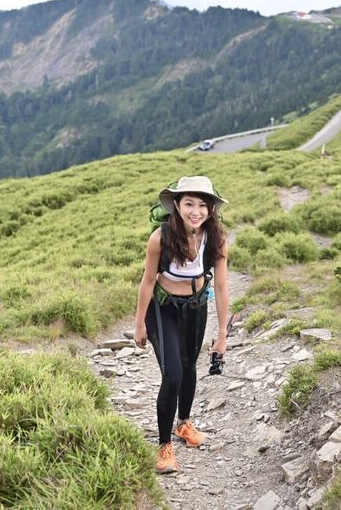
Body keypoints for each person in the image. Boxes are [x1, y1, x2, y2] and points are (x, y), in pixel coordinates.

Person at [134, 176, 230, 474]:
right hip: (162, 309)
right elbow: (148, 281)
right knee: (173, 374)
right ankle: (164, 446)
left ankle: (184, 424)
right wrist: (139, 323)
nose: (196, 211)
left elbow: (224, 287)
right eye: (189, 203)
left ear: (211, 210)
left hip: (195, 306)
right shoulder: (160, 238)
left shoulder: (216, 240)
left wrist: (223, 333)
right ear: (176, 205)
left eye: (203, 205)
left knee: (189, 367)